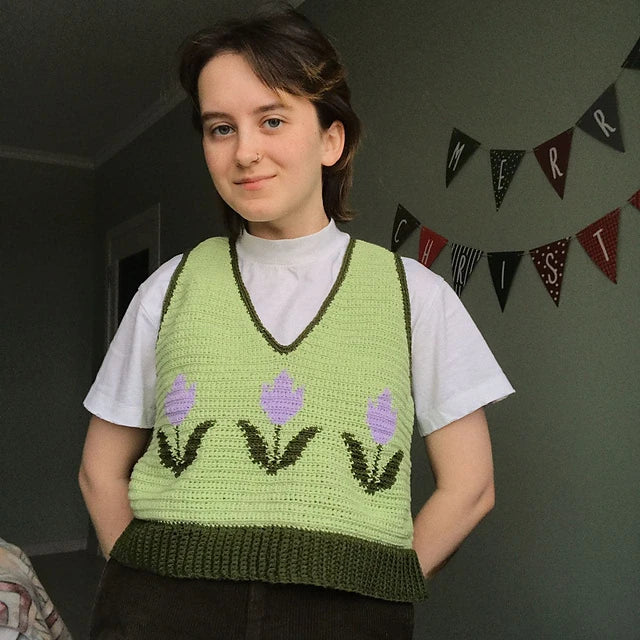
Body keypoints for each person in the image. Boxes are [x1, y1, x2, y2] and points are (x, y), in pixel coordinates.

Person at [78, 5, 514, 639]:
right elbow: (99, 470)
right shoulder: (168, 288)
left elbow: (471, 486)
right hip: (159, 609)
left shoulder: (414, 294)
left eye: (272, 119)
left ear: (332, 140)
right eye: (220, 128)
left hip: (343, 616)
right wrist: (142, 587)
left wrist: (377, 591)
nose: (245, 152)